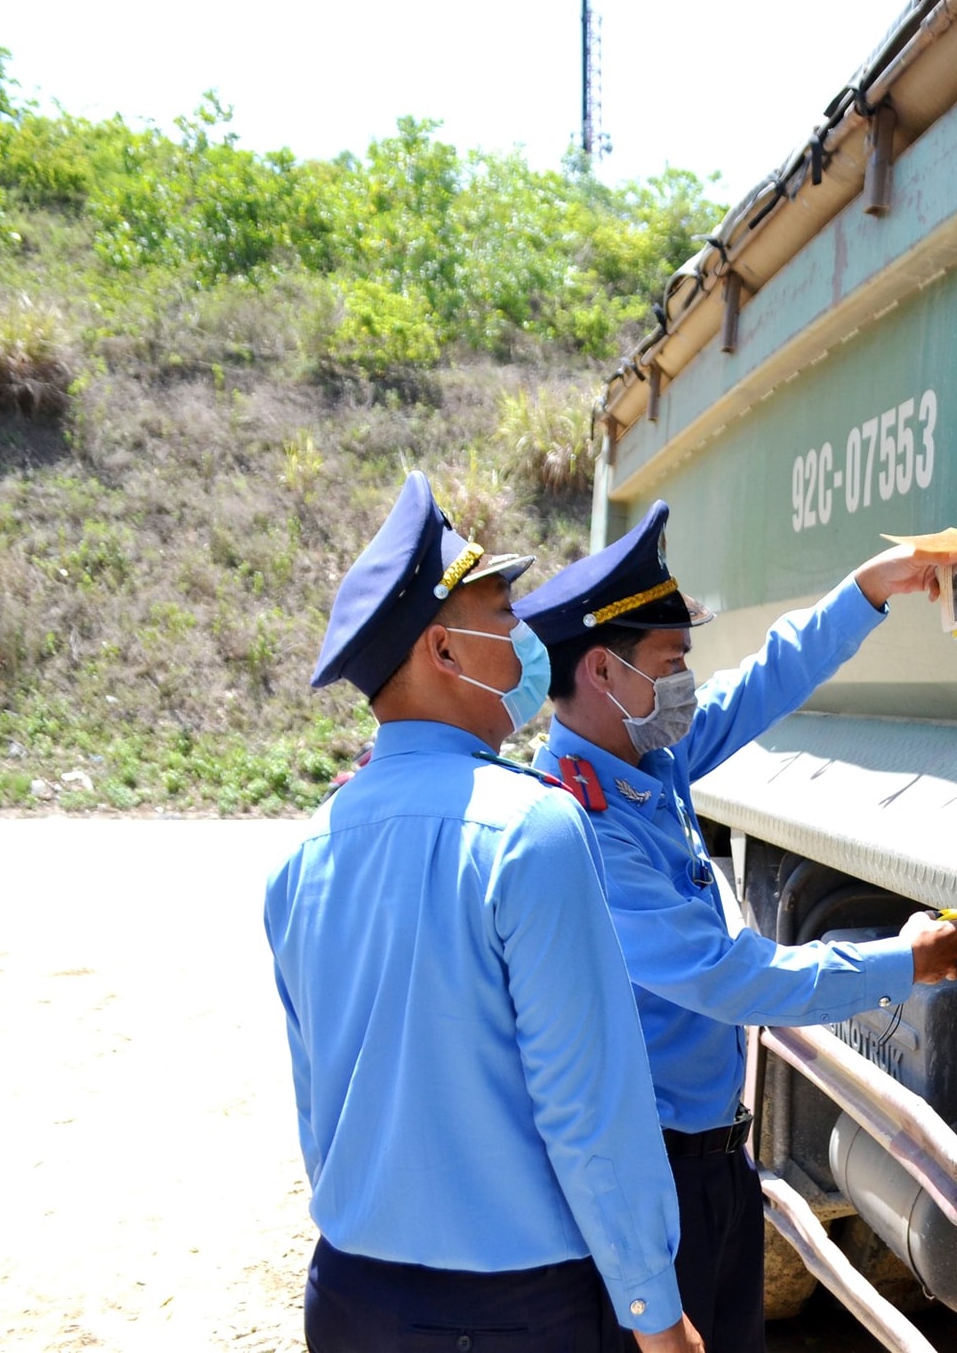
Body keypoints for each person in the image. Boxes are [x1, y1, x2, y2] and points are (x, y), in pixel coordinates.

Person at [514, 501, 957, 1351]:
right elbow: (732, 978)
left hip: (717, 1164)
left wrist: (866, 591)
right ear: (605, 676)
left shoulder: (645, 761)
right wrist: (899, 964)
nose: (689, 682)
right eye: (671, 662)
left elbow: (763, 683)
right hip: (654, 1182)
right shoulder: (581, 829)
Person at [263, 473, 703, 1353]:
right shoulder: (529, 830)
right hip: (509, 1312)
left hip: (349, 1292)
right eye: (502, 617)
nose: (523, 640)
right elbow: (588, 1106)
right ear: (445, 653)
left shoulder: (303, 852)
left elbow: (321, 1108)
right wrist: (654, 1309)